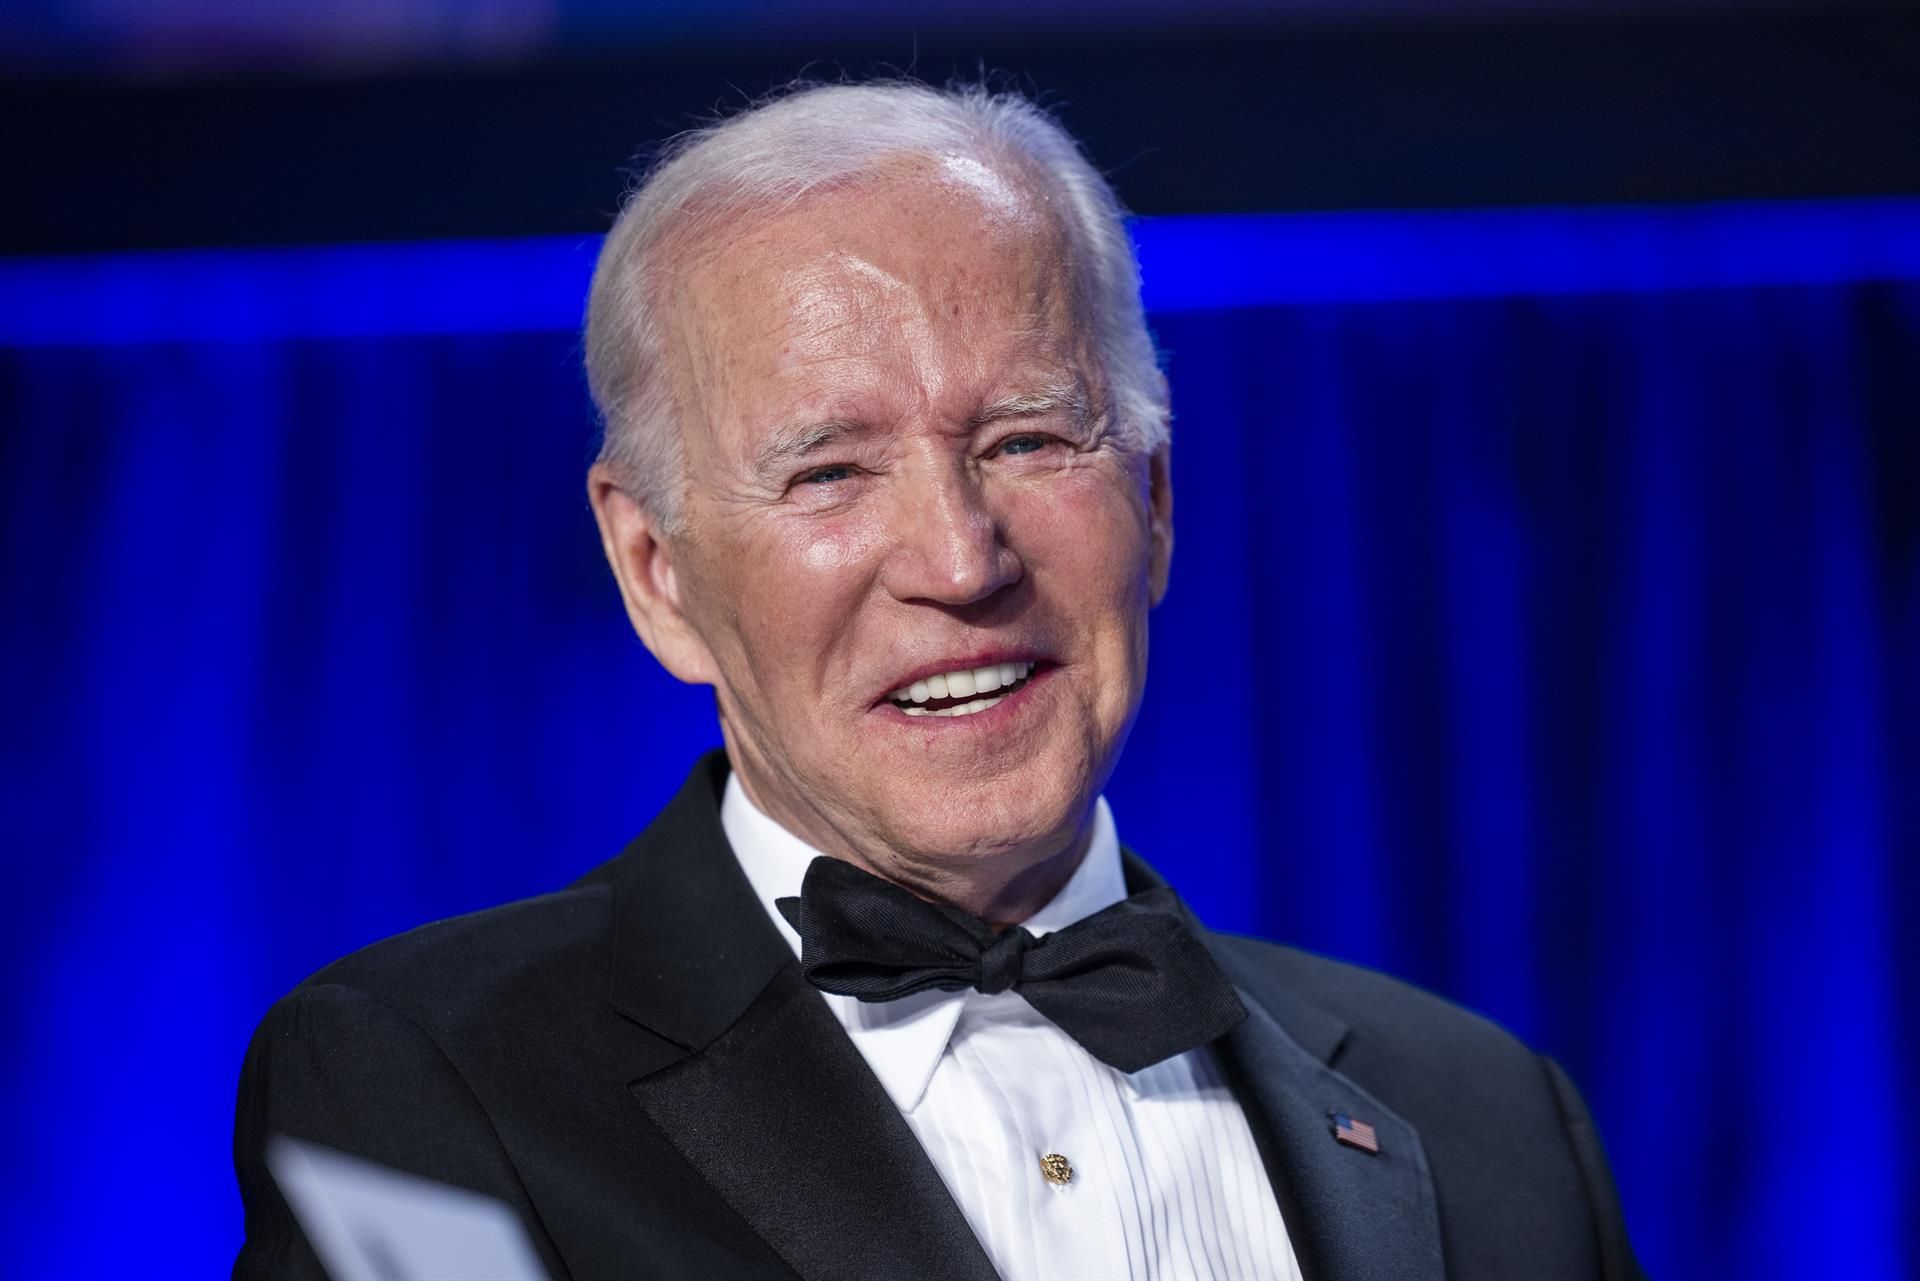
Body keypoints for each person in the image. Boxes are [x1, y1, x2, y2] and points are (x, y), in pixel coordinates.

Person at [233, 80, 1642, 1280]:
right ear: (659, 571)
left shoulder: (1490, 1127)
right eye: (830, 471)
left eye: (1030, 439)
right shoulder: (418, 1086)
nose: (962, 562)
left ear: (1153, 501)